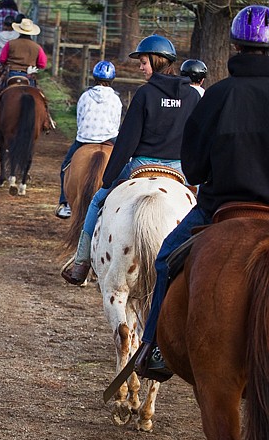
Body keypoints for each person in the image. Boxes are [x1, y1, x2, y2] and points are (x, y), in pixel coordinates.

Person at [135, 5, 269, 381]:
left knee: (164, 259)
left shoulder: (218, 95)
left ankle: (153, 348)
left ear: (235, 47)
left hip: (219, 208)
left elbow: (192, 167)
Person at [61, 34, 200, 284]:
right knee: (204, 208)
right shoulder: (192, 96)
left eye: (143, 61)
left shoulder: (145, 94)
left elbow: (126, 141)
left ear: (157, 61)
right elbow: (195, 136)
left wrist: (108, 178)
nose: (140, 66)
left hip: (142, 164)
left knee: (95, 202)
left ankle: (81, 263)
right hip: (180, 169)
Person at [55, 60, 123, 219]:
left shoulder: (85, 96)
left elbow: (80, 118)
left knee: (65, 167)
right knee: (126, 166)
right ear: (112, 79)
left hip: (85, 138)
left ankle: (64, 204)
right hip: (110, 138)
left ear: (94, 77)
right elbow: (116, 121)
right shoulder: (116, 99)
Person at [0, 17, 47, 130]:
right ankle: (47, 120)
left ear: (20, 30)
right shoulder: (37, 47)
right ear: (31, 33)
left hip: (11, 74)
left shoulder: (10, 44)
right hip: (28, 76)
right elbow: (42, 64)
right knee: (41, 97)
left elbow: (1, 60)